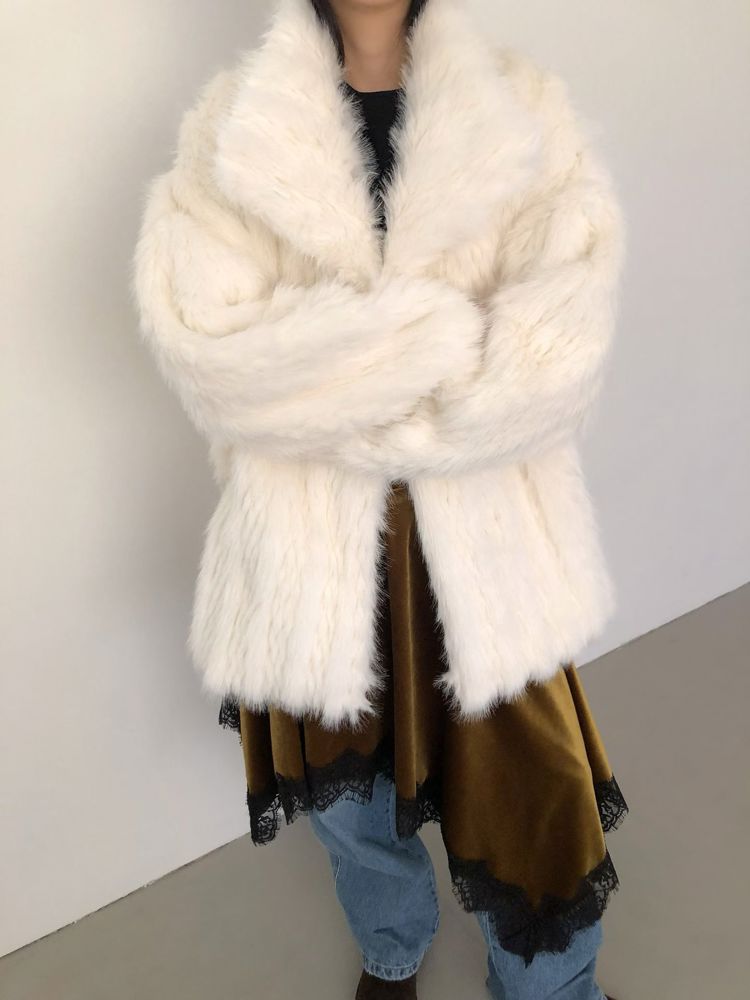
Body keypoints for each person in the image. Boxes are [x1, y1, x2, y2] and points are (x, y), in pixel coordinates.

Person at [132, 1, 629, 997]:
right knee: (348, 809)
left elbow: (563, 333)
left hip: (488, 544)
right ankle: (392, 946)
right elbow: (212, 350)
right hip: (308, 545)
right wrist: (435, 348)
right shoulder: (233, 123)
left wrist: (341, 379)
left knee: (538, 803)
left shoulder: (519, 103)